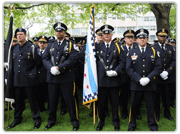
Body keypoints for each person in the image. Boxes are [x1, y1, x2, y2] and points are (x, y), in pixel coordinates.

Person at [42, 22, 79, 130]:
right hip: (52, 77)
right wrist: (50, 68)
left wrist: (59, 68)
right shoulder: (50, 44)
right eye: (57, 31)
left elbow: (73, 59)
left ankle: (74, 121)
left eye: (61, 31)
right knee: (52, 101)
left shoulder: (71, 44)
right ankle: (51, 121)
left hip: (66, 77)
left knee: (70, 100)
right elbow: (45, 58)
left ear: (64, 32)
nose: (58, 33)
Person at [126, 28, 161, 131]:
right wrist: (139, 79)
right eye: (140, 38)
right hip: (136, 84)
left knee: (151, 106)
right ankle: (132, 125)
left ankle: (152, 124)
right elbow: (128, 68)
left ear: (147, 39)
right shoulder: (132, 51)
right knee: (134, 106)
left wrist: (149, 79)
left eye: (144, 38)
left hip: (150, 84)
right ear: (136, 40)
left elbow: (158, 68)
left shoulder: (153, 51)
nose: (142, 40)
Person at [6, 28, 42, 129]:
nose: (19, 36)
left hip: (29, 80)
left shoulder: (32, 47)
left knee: (32, 101)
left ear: (25, 35)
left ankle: (36, 118)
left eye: (21, 34)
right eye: (17, 34)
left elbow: (38, 63)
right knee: (18, 101)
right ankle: (17, 118)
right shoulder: (13, 48)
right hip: (17, 79)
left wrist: (32, 73)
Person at [95, 24, 125, 131]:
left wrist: (116, 72)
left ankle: (116, 122)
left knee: (115, 103)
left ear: (112, 34)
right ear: (102, 35)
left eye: (108, 33)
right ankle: (101, 121)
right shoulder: (97, 46)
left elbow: (122, 61)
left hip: (114, 80)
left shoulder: (118, 46)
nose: (106, 35)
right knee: (101, 103)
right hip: (102, 80)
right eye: (104, 34)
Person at [153, 29, 176, 122]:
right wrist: (159, 72)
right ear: (157, 37)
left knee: (167, 97)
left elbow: (174, 61)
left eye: (164, 36)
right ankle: (157, 114)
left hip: (168, 77)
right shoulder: (153, 48)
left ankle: (168, 114)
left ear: (166, 37)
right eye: (160, 36)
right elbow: (152, 62)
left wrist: (168, 71)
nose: (162, 38)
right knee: (157, 98)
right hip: (157, 78)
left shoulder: (171, 48)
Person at [35, 36, 49, 112]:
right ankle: (41, 107)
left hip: (47, 75)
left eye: (44, 43)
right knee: (39, 93)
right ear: (38, 43)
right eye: (40, 43)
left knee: (48, 93)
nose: (42, 44)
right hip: (37, 76)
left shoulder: (49, 52)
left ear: (47, 44)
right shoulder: (34, 51)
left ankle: (50, 107)